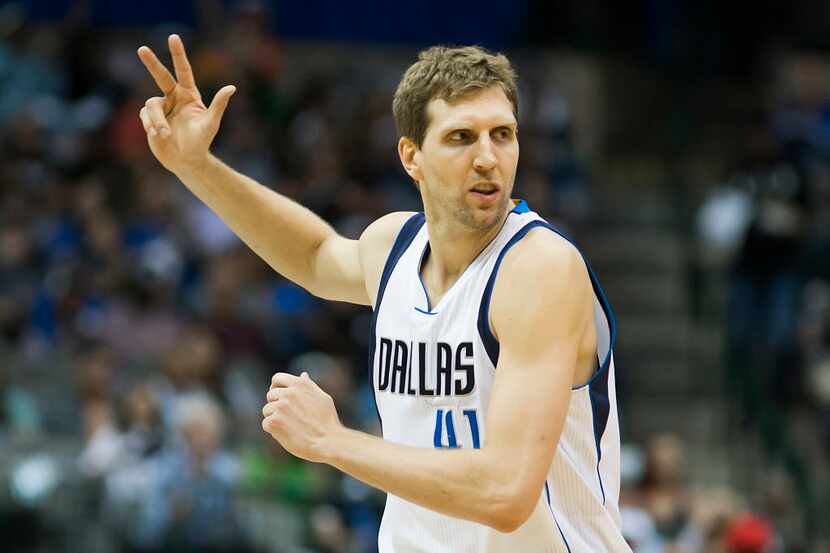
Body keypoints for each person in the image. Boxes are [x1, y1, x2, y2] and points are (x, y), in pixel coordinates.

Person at [137, 34, 630, 552]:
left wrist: (334, 441)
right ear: (411, 157)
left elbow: (505, 492)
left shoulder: (539, 268)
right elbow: (312, 255)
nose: (488, 157)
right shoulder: (395, 246)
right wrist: (195, 166)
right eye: (462, 137)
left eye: (502, 134)